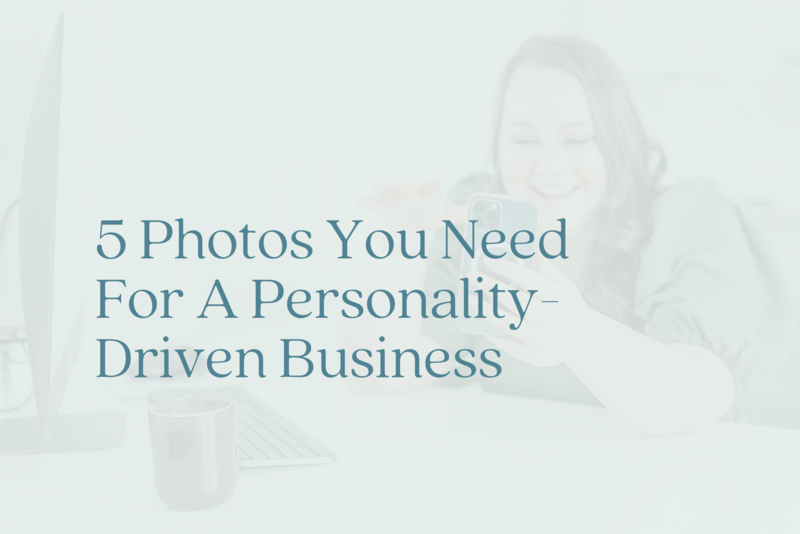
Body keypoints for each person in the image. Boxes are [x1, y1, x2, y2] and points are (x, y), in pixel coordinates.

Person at [347, 36, 793, 436]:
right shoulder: (479, 219)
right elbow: (398, 368)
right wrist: (396, 251)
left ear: (617, 142)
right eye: (524, 140)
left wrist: (577, 333)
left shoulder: (689, 216)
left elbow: (693, 399)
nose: (549, 166)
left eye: (577, 139)